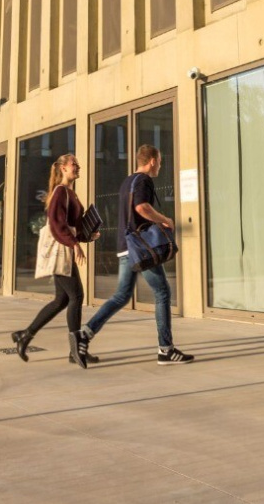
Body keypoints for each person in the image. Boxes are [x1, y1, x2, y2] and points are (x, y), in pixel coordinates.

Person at [81, 144, 194, 364]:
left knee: (121, 295)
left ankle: (84, 334)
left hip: (126, 246)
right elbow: (141, 208)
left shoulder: (128, 181)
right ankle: (165, 350)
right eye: (159, 161)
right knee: (162, 292)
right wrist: (165, 220)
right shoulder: (143, 180)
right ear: (152, 161)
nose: (160, 165)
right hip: (140, 248)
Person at [11, 154, 93, 368]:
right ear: (63, 168)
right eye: (74, 164)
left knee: (62, 300)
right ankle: (76, 349)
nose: (78, 167)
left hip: (65, 249)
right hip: (61, 250)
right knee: (76, 296)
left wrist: (87, 236)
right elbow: (57, 225)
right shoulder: (60, 192)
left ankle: (25, 335)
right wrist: (74, 244)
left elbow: (73, 226)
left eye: (77, 164)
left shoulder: (71, 193)